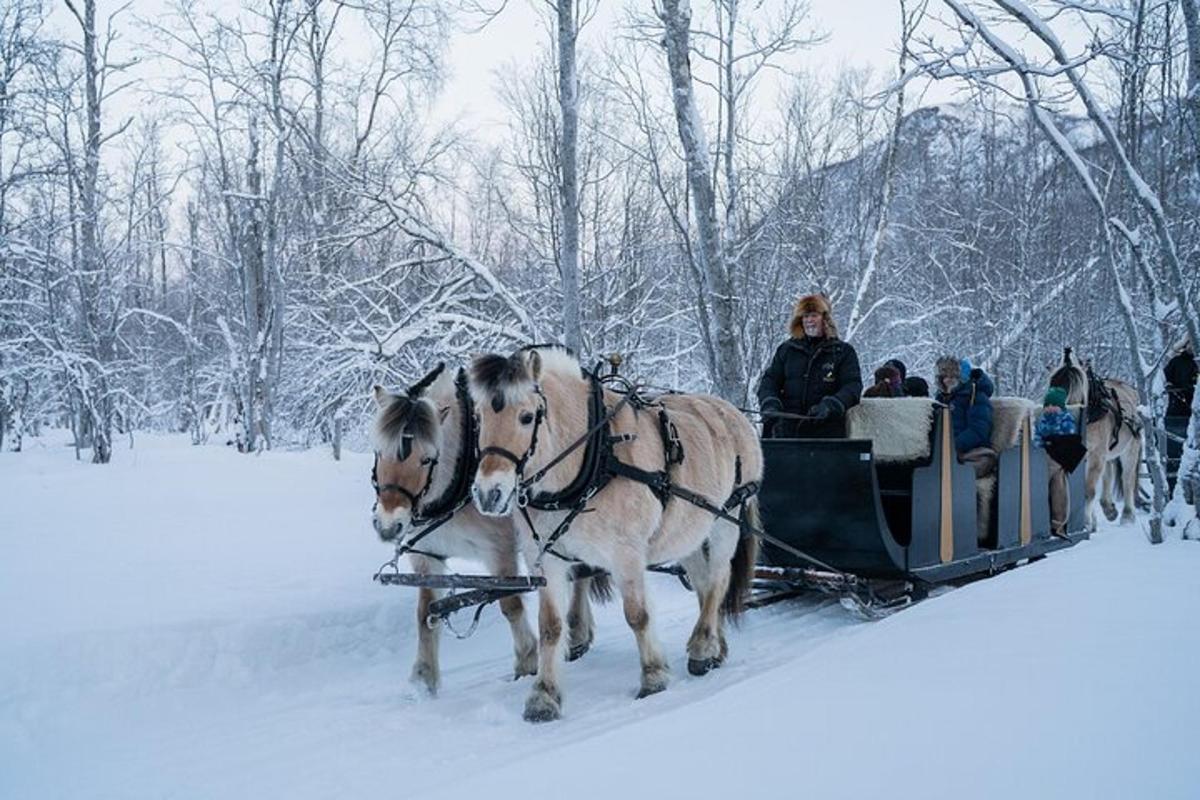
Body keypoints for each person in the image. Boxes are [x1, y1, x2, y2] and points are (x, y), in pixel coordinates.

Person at [757, 293, 863, 438]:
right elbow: (769, 381)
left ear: (825, 319)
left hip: (827, 434)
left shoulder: (843, 352)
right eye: (805, 317)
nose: (809, 321)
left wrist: (832, 405)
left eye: (813, 315)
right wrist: (770, 403)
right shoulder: (787, 350)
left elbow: (852, 387)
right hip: (786, 432)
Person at [935, 355, 995, 478]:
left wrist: (952, 446)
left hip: (971, 452)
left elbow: (979, 431)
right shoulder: (940, 400)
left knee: (961, 471)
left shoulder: (976, 397)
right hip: (943, 452)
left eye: (953, 376)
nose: (948, 380)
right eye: (944, 377)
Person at [1033, 386, 1079, 536]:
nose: (1050, 409)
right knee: (1047, 473)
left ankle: (1058, 522)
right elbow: (1038, 437)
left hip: (1061, 454)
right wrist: (1039, 446)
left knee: (1057, 480)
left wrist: (1050, 443)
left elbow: (1068, 440)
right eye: (1047, 406)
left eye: (1054, 406)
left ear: (1061, 407)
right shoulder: (1043, 420)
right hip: (1045, 453)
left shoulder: (1066, 419)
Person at [1164, 341, 1196, 417]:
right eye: (1190, 345)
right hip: (1177, 397)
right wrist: (1169, 385)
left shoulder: (1196, 363)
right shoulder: (1176, 361)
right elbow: (1166, 375)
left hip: (1194, 397)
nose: (1192, 348)